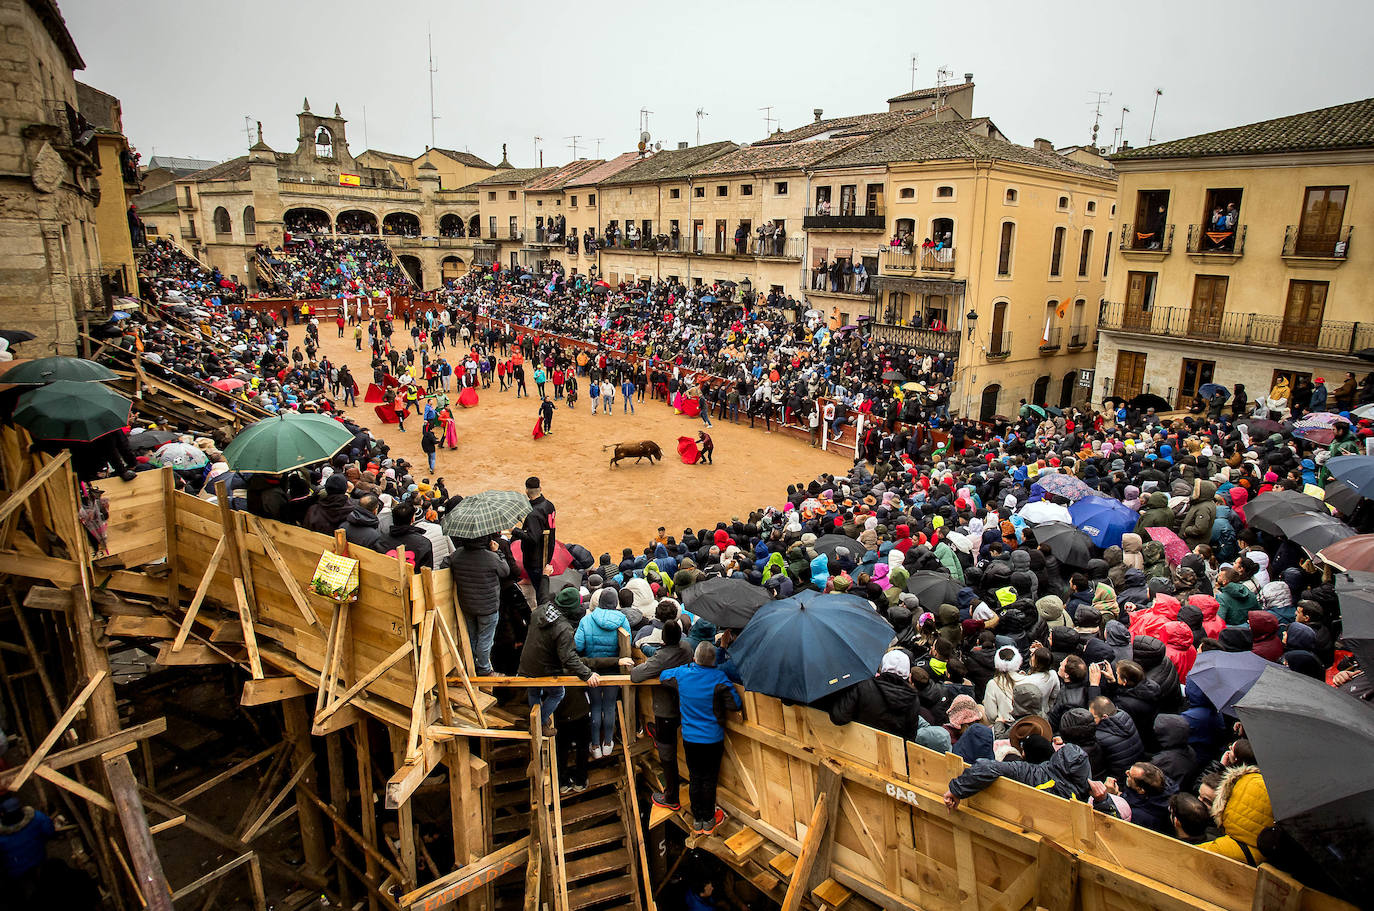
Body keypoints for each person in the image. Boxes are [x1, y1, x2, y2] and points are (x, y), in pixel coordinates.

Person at [659, 642, 742, 835]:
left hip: (690, 738)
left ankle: (698, 820)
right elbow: (735, 704)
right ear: (713, 661)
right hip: (713, 738)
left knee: (695, 777)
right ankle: (709, 819)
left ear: (695, 658)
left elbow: (664, 677)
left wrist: (686, 668)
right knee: (709, 779)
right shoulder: (719, 677)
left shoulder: (683, 674)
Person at [626, 619, 693, 810]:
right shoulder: (687, 648)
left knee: (667, 751)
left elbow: (636, 676)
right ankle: (656, 734)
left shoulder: (662, 657)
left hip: (666, 710)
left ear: (663, 637)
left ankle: (671, 796)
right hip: (683, 705)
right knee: (671, 739)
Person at [519, 586, 602, 730]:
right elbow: (568, 657)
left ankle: (536, 720)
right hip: (544, 668)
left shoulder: (540, 610)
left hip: (527, 661)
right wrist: (587, 674)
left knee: (534, 691)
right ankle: (539, 723)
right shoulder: (563, 628)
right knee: (558, 692)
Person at [944, 735, 1091, 808]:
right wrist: (1103, 799)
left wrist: (957, 790)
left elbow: (986, 766)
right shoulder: (1086, 801)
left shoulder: (1032, 773)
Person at [448, 534, 517, 676]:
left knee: (472, 636)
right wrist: (497, 551)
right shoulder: (490, 557)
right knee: (485, 640)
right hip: (488, 607)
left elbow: (445, 564)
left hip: (467, 604)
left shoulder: (457, 555)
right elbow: (505, 571)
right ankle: (484, 669)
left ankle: (472, 664)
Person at [575, 588, 631, 759]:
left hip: (592, 670)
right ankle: (607, 742)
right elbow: (628, 644)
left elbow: (577, 646)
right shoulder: (622, 620)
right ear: (615, 603)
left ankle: (595, 745)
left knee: (595, 706)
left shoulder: (586, 619)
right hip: (613, 669)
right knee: (609, 707)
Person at [0, 796, 55, 900]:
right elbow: (50, 831)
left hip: (17, 872)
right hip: (39, 859)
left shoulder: (2, 836)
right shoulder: (37, 818)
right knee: (46, 886)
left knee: (29, 895)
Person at [514, 477, 557, 604]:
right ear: (540, 489)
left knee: (541, 591)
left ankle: (542, 612)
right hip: (547, 551)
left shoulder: (533, 513)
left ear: (527, 491)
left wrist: (516, 531)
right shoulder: (549, 505)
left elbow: (532, 538)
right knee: (542, 585)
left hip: (535, 558)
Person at [378, 502, 434, 569]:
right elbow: (427, 571)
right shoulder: (424, 543)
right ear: (412, 519)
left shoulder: (380, 540)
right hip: (413, 578)